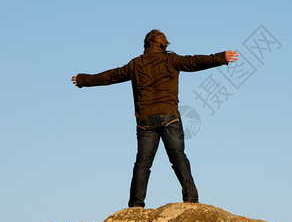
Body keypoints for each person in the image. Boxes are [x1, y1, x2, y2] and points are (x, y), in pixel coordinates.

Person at [72, 29, 238, 208]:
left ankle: (136, 205)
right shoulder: (171, 59)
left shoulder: (136, 64)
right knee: (178, 157)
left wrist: (83, 79)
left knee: (143, 164)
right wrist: (221, 57)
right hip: (169, 117)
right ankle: (190, 199)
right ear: (164, 45)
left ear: (146, 45)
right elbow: (194, 62)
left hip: (145, 121)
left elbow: (110, 76)